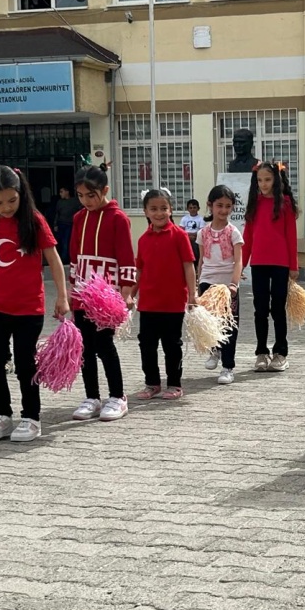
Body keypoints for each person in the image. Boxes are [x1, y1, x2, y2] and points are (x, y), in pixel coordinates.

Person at [0, 166, 69, 443]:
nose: (6, 207)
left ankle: (31, 418)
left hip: (28, 309)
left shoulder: (34, 221)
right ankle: (1, 414)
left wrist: (62, 295)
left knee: (25, 364)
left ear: (21, 193)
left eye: (12, 200)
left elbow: (54, 259)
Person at [68, 166, 136, 422]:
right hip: (83, 292)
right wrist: (71, 292)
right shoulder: (78, 218)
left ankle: (118, 397)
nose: (86, 200)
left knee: (104, 345)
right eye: (81, 195)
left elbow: (127, 258)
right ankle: (92, 397)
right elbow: (73, 257)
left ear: (105, 190)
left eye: (91, 195)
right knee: (84, 347)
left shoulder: (119, 218)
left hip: (107, 294)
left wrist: (127, 294)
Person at [132, 188, 198, 400]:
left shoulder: (179, 236)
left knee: (172, 345)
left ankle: (174, 384)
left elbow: (189, 266)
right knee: (147, 345)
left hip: (173, 303)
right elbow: (139, 270)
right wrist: (131, 294)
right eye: (153, 209)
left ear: (171, 210)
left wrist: (192, 295)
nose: (159, 213)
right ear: (146, 212)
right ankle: (152, 383)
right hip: (148, 304)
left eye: (163, 208)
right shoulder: (143, 240)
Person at [242, 161, 299, 373]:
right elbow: (247, 236)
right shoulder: (254, 204)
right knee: (260, 309)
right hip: (258, 263)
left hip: (281, 263)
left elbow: (291, 237)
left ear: (276, 179)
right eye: (260, 180)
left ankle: (281, 352)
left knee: (278, 309)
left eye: (267, 179)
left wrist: (293, 265)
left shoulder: (284, 203)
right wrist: (241, 264)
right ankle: (261, 352)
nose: (263, 184)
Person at [198, 186, 244, 385]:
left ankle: (228, 367)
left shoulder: (233, 233)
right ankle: (213, 350)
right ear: (210, 205)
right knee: (209, 321)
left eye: (228, 206)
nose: (223, 210)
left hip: (227, 285)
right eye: (219, 206)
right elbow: (200, 260)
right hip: (207, 281)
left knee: (228, 325)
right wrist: (196, 285)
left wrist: (234, 284)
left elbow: (239, 261)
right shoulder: (203, 233)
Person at [53, 184, 82, 265]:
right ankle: (62, 258)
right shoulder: (59, 202)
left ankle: (64, 259)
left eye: (62, 192)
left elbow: (80, 211)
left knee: (67, 242)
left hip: (70, 224)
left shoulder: (75, 201)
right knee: (60, 242)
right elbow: (57, 213)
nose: (60, 194)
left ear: (67, 192)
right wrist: (55, 224)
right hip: (61, 224)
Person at [180, 199, 206, 264]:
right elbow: (181, 231)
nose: (192, 209)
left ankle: (196, 264)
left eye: (194, 207)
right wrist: (188, 236)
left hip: (196, 239)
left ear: (198, 208)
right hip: (186, 238)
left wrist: (191, 235)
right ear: (188, 209)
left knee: (195, 246)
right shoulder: (184, 218)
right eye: (190, 208)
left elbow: (201, 231)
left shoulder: (201, 219)